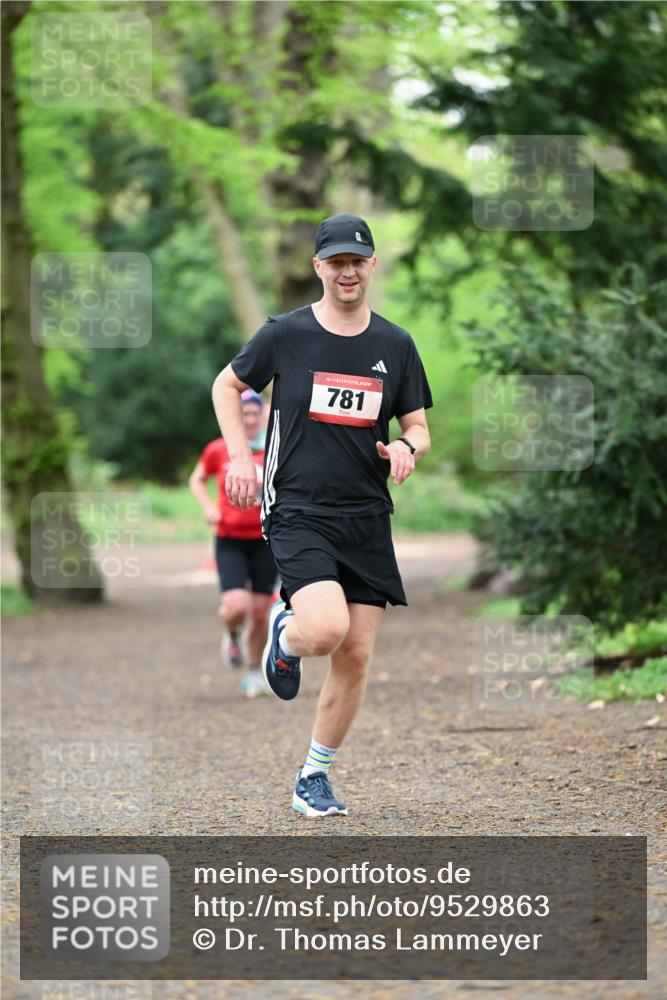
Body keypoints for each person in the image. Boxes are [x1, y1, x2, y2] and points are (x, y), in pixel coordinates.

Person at [212, 213, 433, 814]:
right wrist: (239, 459)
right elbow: (226, 387)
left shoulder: (395, 344)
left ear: (371, 266)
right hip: (298, 507)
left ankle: (314, 776)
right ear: (319, 268)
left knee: (356, 654)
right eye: (336, 261)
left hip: (366, 513)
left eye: (357, 260)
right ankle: (284, 635)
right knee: (327, 629)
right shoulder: (285, 334)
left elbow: (416, 425)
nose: (347, 271)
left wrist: (408, 448)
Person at [189, 389, 278, 699]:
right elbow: (196, 479)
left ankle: (254, 673)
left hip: (266, 540)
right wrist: (208, 508)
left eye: (255, 414)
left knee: (259, 611)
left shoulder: (276, 448)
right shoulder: (219, 449)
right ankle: (230, 633)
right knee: (236, 607)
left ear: (263, 416)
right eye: (244, 414)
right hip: (230, 540)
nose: (250, 420)